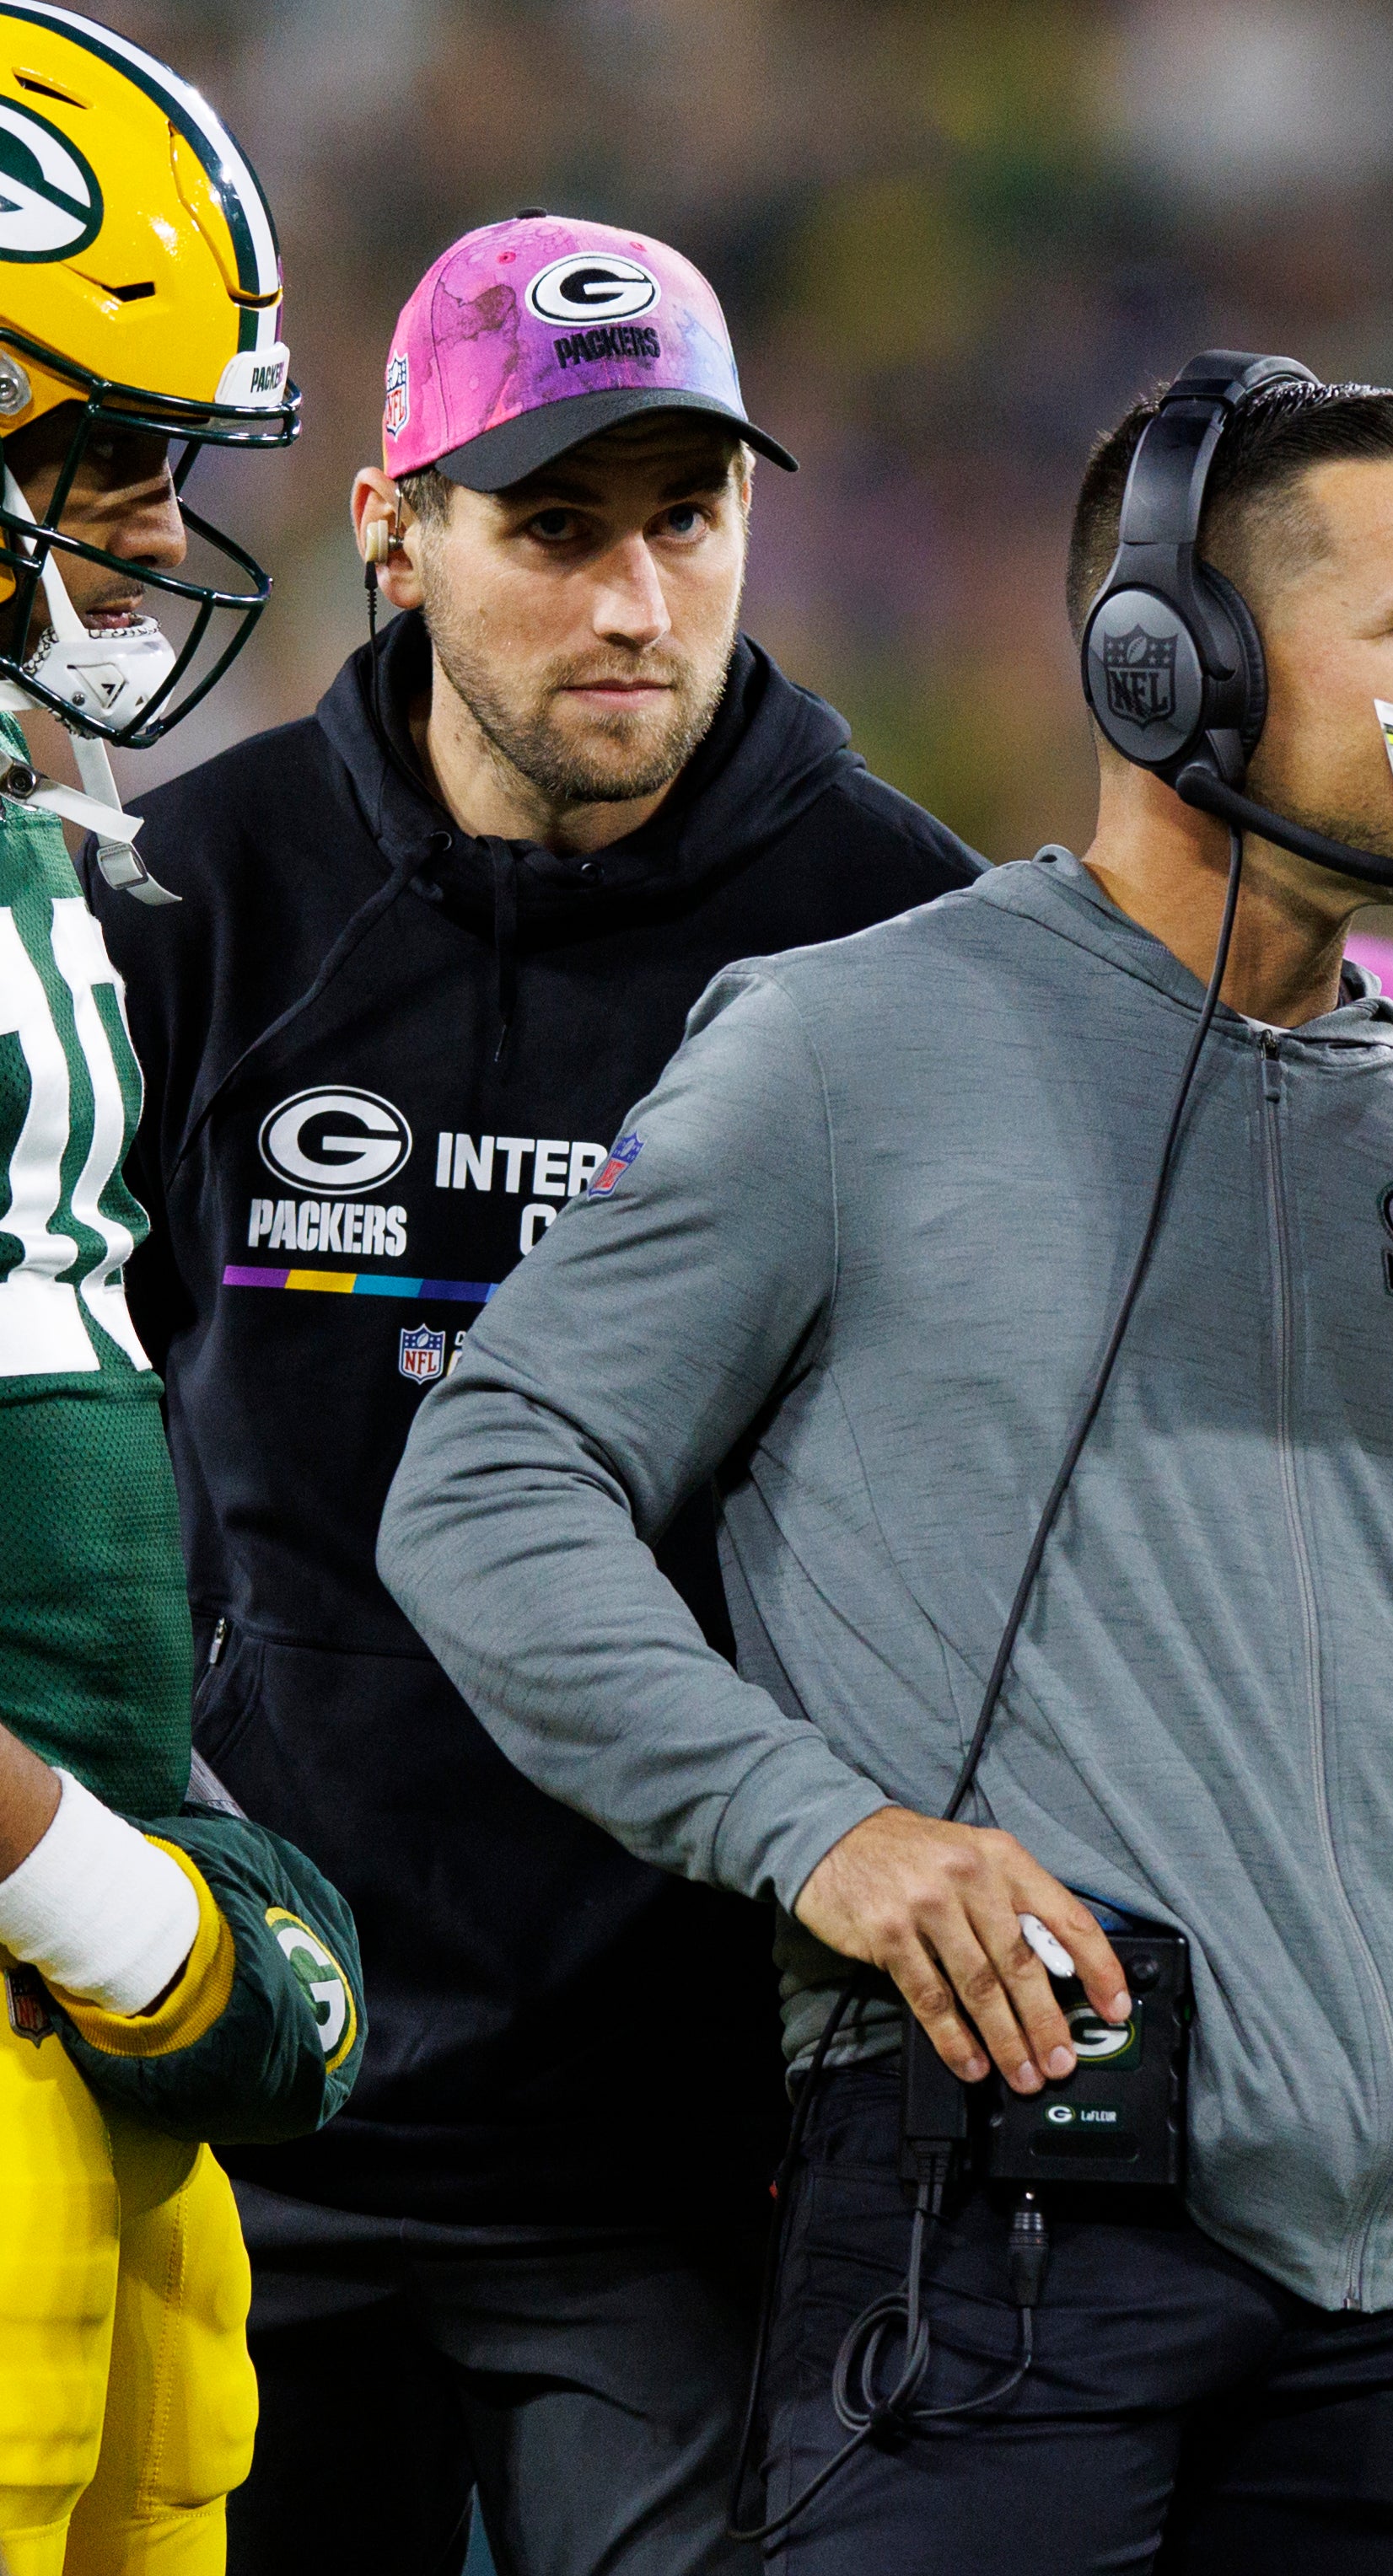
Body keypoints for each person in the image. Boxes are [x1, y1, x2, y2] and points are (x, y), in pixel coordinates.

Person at [375, 362, 1393, 2571]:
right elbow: (490, 1480)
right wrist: (821, 1831)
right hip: (1004, 2234)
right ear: (1173, 668)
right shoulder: (849, 1045)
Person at [96, 214, 980, 2576]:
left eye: (686, 519)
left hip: (678, 2163)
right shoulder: (186, 896)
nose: (633, 601)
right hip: (257, 2098)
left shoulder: (896, 933)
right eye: (554, 525)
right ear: (392, 532)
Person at [0, 11, 368, 2571]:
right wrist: (85, 1872)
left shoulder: (54, 841)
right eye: (96, 453)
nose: (147, 536)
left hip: (86, 2045)